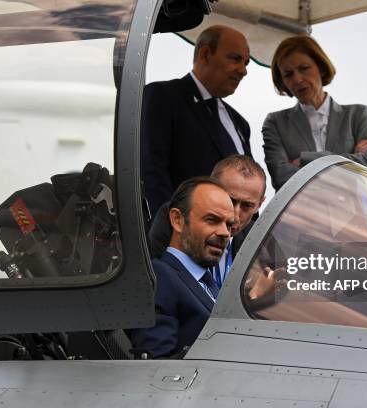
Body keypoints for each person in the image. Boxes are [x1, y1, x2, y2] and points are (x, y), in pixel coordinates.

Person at [141, 25, 252, 219]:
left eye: (246, 62)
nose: (243, 71)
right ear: (206, 54)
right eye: (235, 59)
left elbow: (250, 185)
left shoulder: (240, 123)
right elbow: (151, 173)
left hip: (237, 245)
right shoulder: (163, 97)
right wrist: (171, 232)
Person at [129, 177, 235, 358]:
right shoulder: (160, 277)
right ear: (177, 220)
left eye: (229, 224)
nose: (225, 232)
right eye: (212, 220)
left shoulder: (205, 281)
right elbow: (155, 365)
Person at [262, 35, 367, 190]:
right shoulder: (275, 122)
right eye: (288, 74)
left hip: (352, 213)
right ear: (282, 81)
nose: (297, 79)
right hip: (300, 213)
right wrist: (351, 160)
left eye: (303, 68)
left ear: (321, 67)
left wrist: (304, 160)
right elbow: (281, 178)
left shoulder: (358, 115)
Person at [147, 155, 266, 288]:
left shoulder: (259, 238)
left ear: (260, 204)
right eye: (230, 200)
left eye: (247, 205)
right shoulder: (176, 219)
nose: (235, 215)